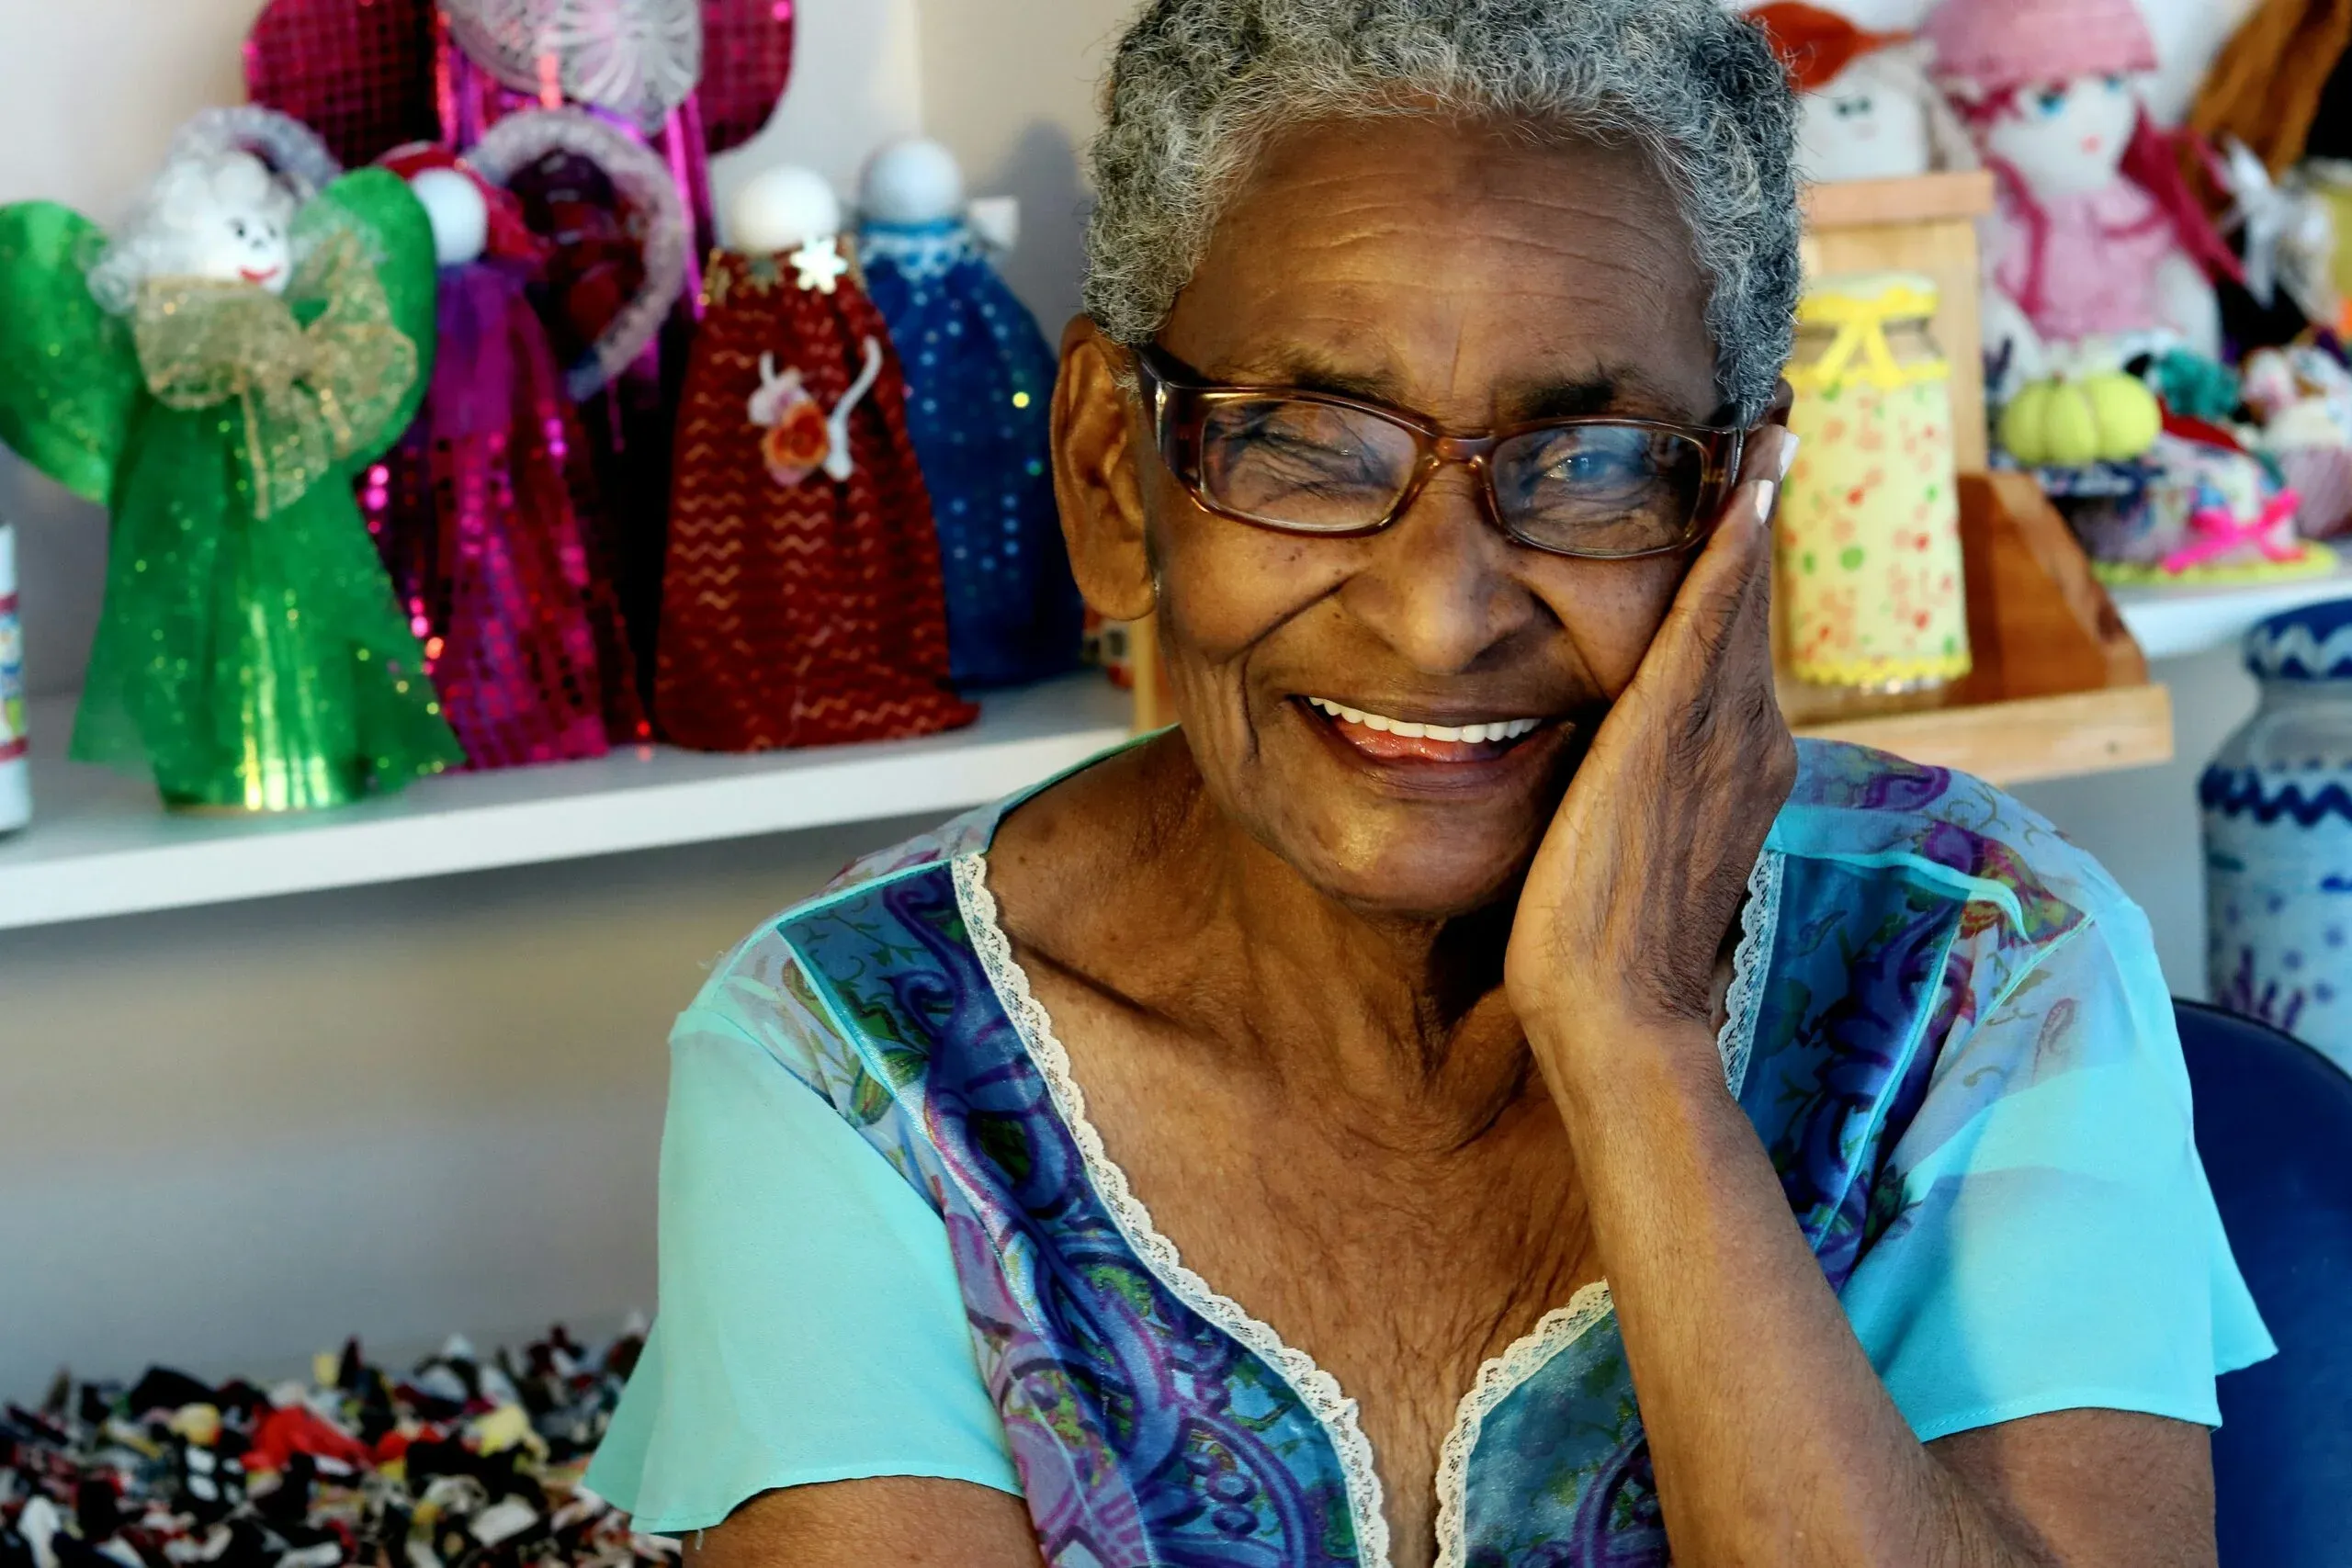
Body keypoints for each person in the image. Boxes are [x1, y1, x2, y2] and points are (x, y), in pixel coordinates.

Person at [582, 2, 2274, 1563]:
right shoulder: (858, 1065)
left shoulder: (1986, 966)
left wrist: (1634, 1045)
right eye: (1308, 440)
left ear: (1744, 513)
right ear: (1114, 472)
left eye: (1597, 463)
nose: (1443, 608)